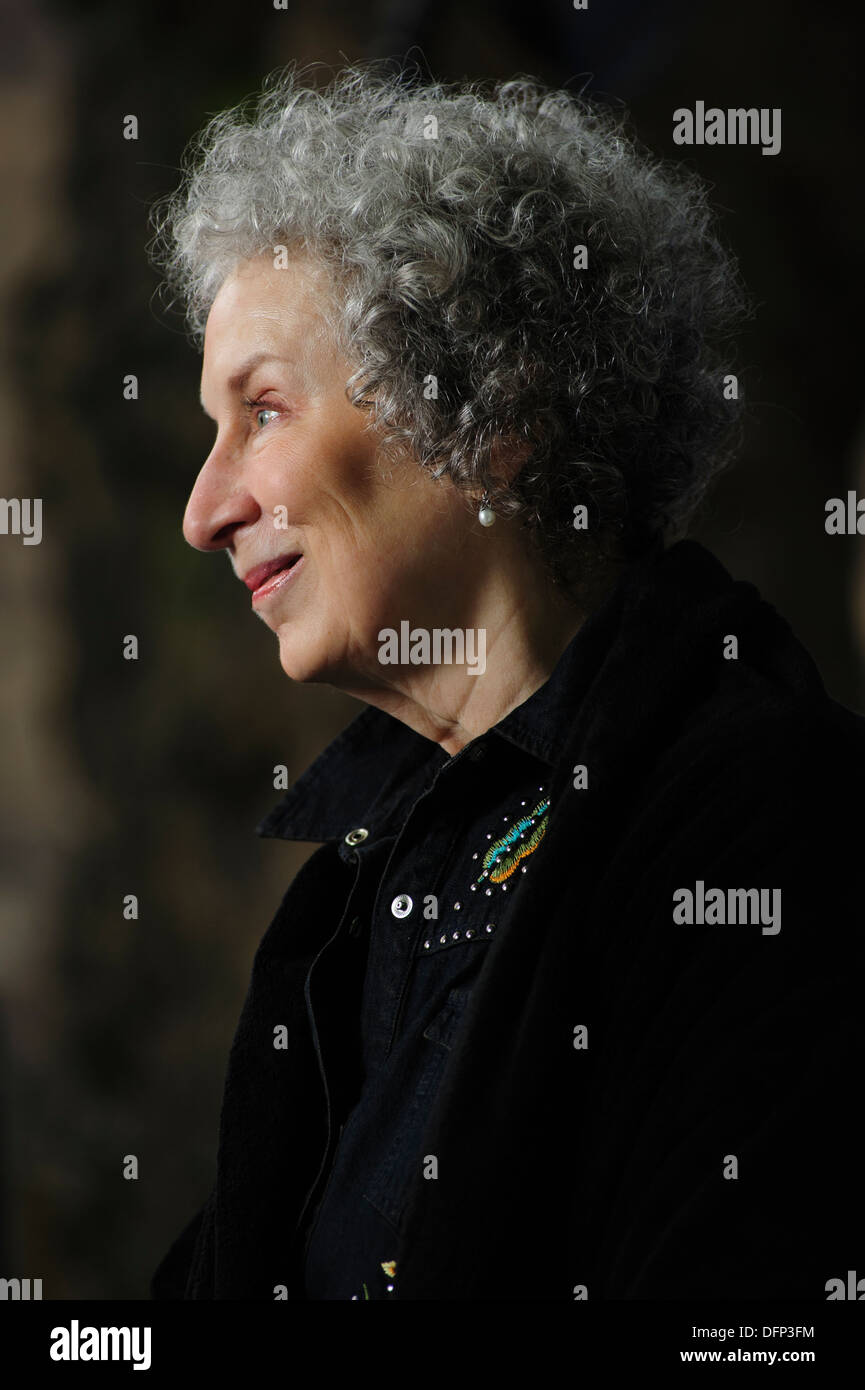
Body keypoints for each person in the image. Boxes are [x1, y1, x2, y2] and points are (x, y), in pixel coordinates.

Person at [148, 61, 865, 1300]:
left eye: (261, 409)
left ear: (487, 408)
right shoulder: (351, 893)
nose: (204, 512)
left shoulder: (771, 819)